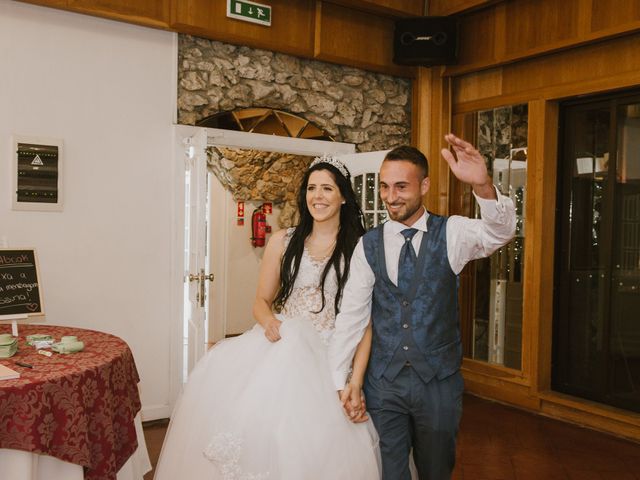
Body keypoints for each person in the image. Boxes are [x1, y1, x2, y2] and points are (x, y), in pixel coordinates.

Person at [154, 156, 381, 480]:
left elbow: (365, 323)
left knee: (321, 444)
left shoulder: (360, 248)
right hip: (284, 345)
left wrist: (355, 381)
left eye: (327, 188)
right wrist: (270, 323)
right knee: (266, 431)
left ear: (343, 196)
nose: (318, 196)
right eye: (312, 188)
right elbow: (261, 301)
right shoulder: (284, 241)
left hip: (333, 355)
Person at [329, 134, 517, 480]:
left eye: (401, 187)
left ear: (425, 185)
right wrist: (342, 380)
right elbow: (352, 317)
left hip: (438, 383)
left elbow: (499, 232)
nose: (390, 197)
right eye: (384, 187)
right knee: (391, 472)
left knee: (435, 470)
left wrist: (484, 186)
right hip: (384, 382)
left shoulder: (453, 232)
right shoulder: (367, 245)